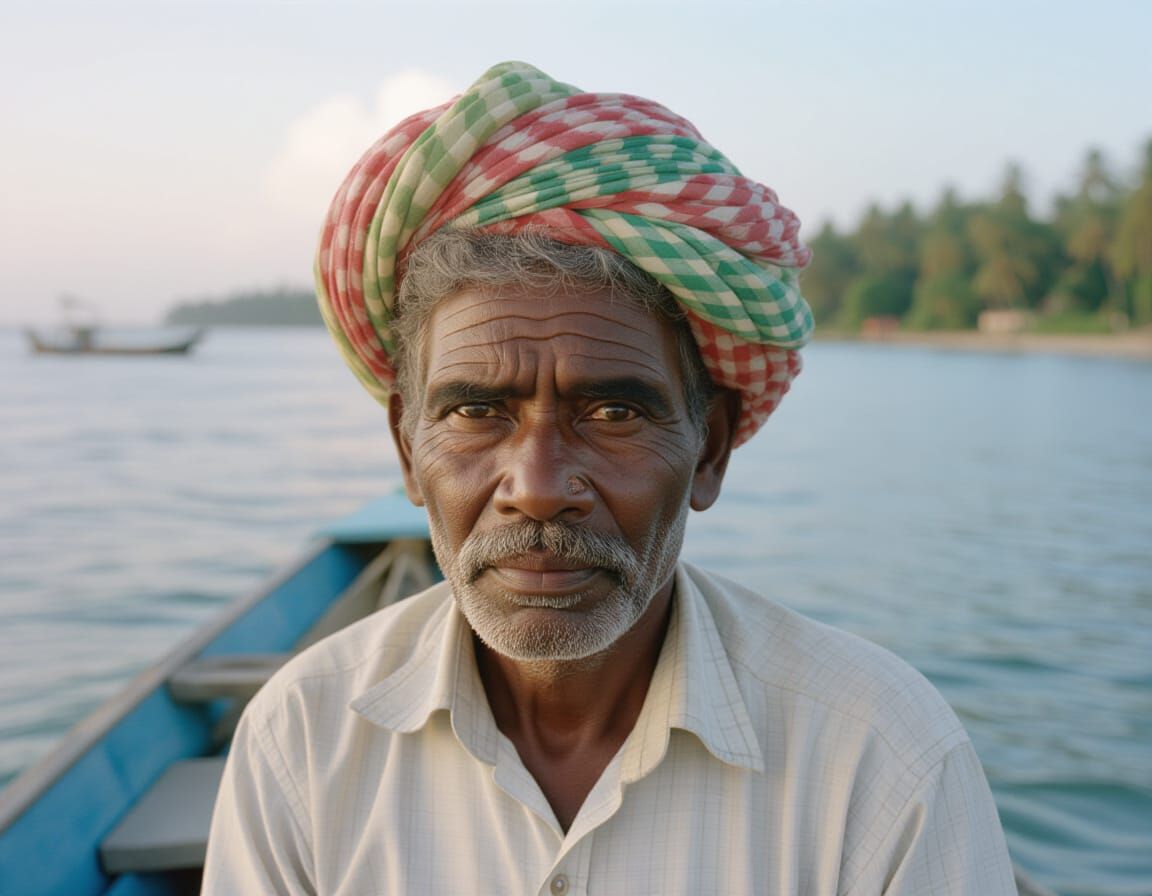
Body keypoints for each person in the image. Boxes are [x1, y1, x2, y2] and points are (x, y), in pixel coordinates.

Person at [202, 62, 1017, 894]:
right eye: (477, 412)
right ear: (408, 452)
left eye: (614, 415)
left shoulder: (879, 756)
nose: (540, 485)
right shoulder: (302, 738)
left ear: (711, 451)